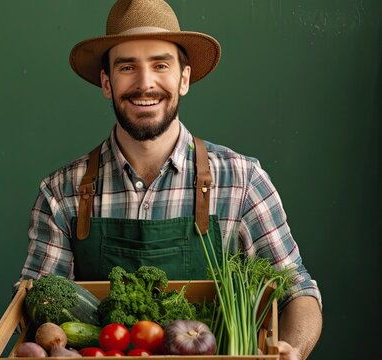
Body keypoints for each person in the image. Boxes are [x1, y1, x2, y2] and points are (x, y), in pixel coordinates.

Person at [18, 0, 322, 359]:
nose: (145, 84)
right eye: (127, 67)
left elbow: (297, 290)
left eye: (160, 64)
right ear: (106, 82)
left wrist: (295, 351)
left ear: (183, 79)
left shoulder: (241, 181)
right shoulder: (61, 193)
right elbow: (39, 303)